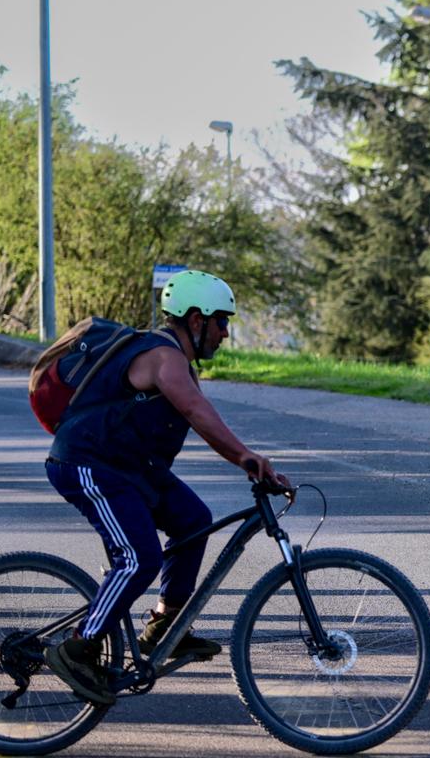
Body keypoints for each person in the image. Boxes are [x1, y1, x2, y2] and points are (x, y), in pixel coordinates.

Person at [42, 270, 289, 706]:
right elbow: (196, 410)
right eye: (222, 322)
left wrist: (243, 456)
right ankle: (77, 647)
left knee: (193, 520)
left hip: (131, 467)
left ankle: (165, 627)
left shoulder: (175, 359)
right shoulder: (162, 355)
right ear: (196, 320)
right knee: (139, 558)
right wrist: (246, 457)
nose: (226, 333)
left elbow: (197, 409)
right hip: (89, 464)